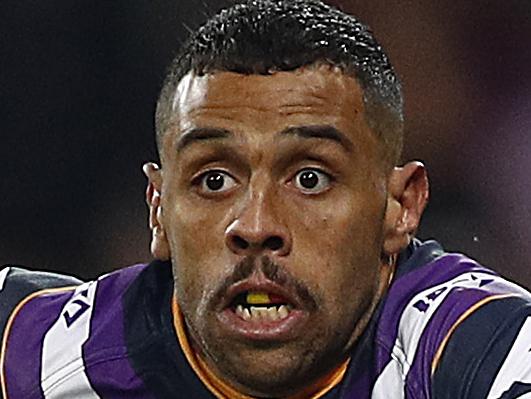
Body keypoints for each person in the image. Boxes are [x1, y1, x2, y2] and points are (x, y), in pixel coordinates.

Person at [1, 0, 530, 397]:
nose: (254, 225)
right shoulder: (42, 351)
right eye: (214, 180)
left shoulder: (475, 347)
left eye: (309, 179)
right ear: (158, 210)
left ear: (401, 207)